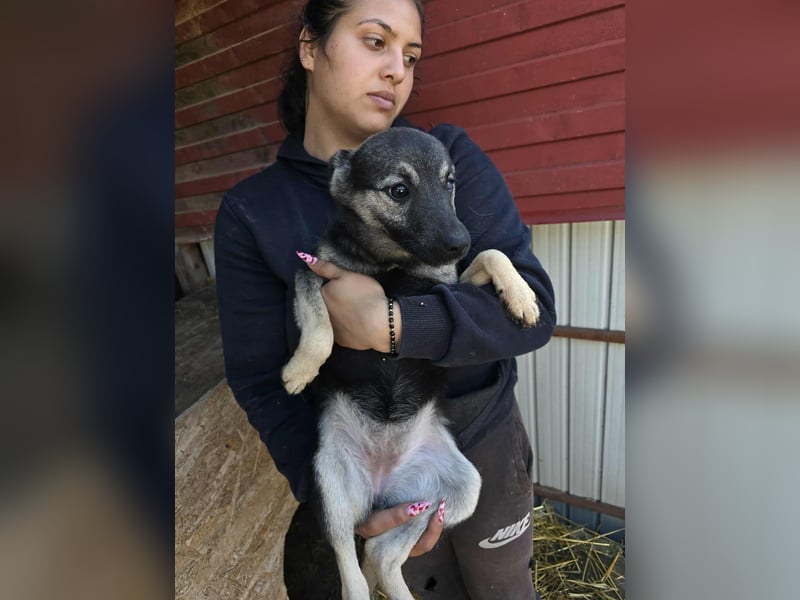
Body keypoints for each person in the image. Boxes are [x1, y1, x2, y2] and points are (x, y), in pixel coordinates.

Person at [214, 0, 556, 598]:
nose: (398, 69)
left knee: (505, 589)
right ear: (310, 48)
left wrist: (392, 325)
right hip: (357, 456)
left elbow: (532, 316)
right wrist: (336, 501)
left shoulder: (449, 156)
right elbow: (261, 382)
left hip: (478, 444)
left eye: (412, 55)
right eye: (377, 41)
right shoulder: (254, 211)